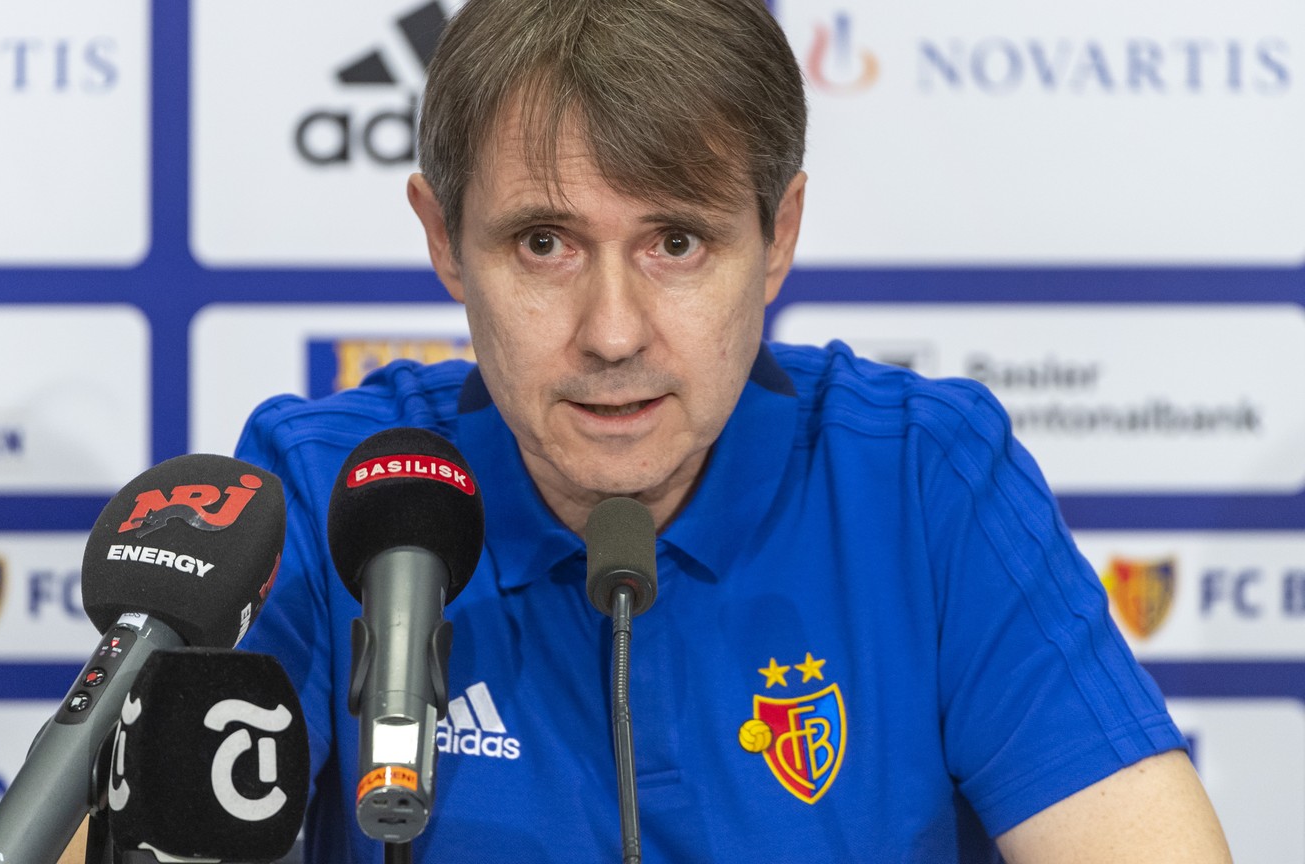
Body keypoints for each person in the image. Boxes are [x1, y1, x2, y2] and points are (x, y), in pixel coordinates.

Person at [235, 0, 1232, 860]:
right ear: (445, 241)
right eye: (545, 244)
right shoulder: (339, 490)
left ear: (778, 239)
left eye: (676, 242)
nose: (613, 332)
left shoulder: (922, 482)